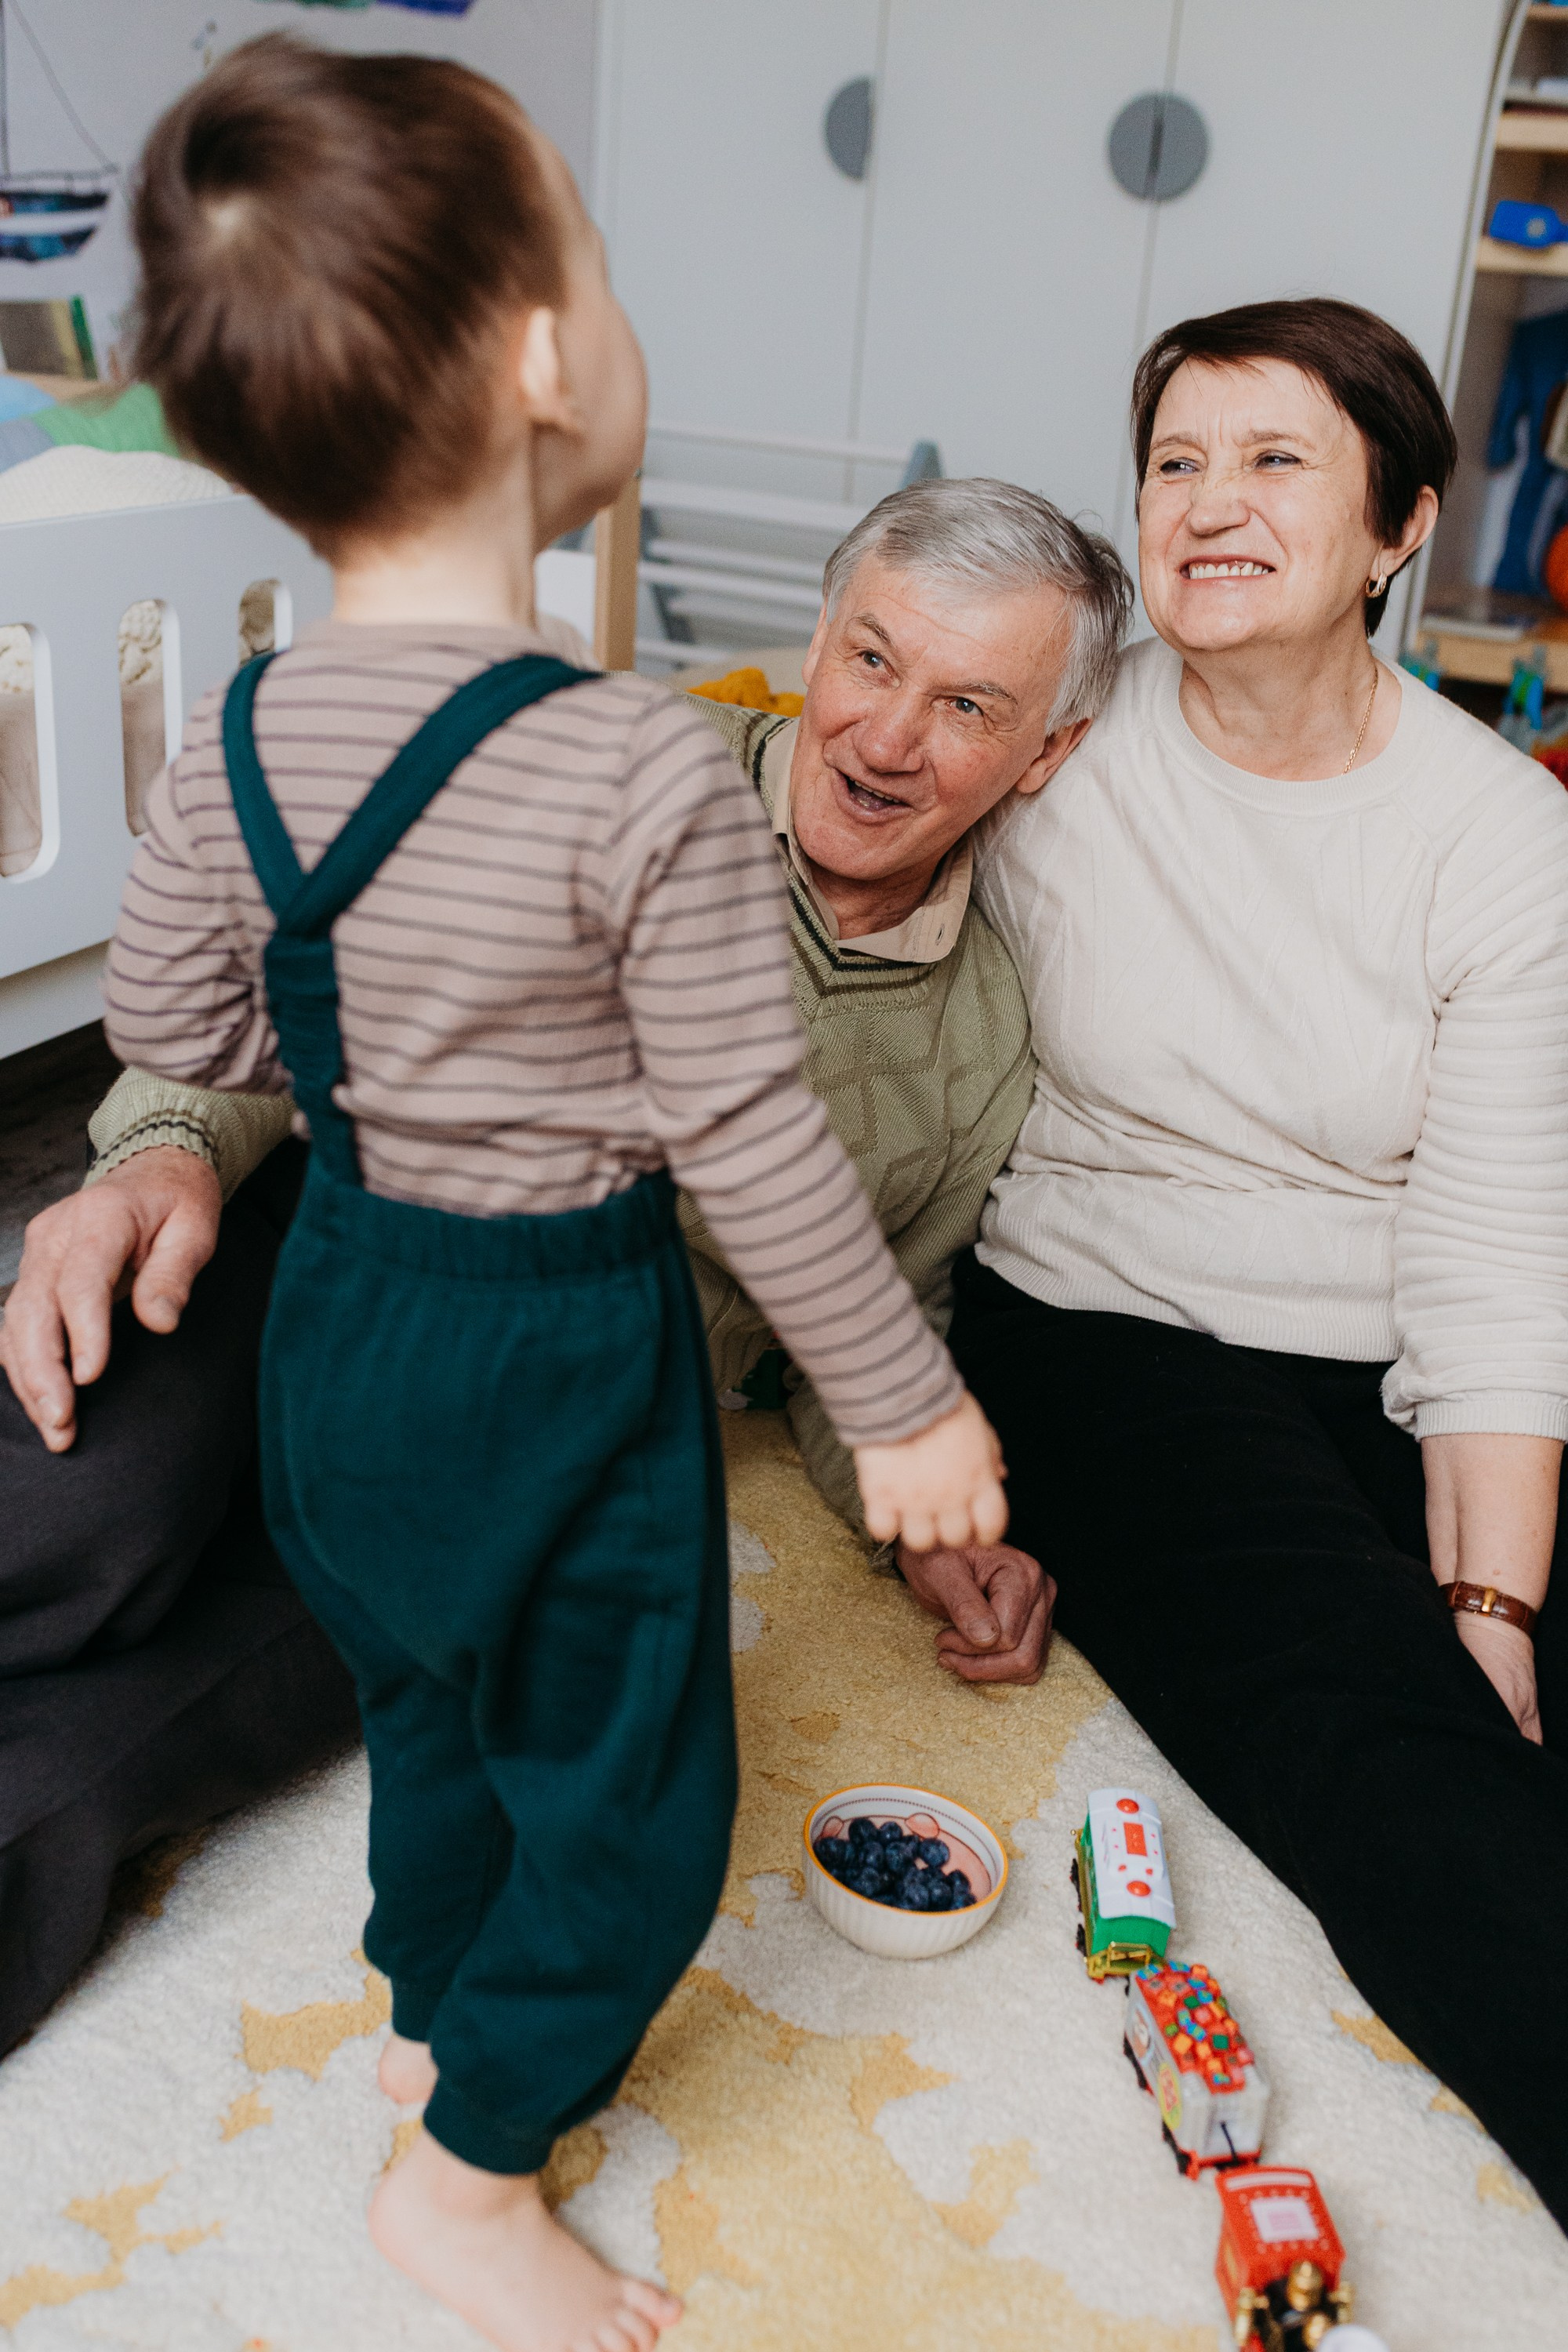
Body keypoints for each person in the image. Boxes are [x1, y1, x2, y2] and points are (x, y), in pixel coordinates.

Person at [103, 34, 1007, 2351]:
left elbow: (180, 1027)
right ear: (537, 358)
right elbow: (749, 1139)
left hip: (340, 1331)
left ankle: (429, 2011)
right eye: (596, 265)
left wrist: (185, 1178)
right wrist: (902, 1410)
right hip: (554, 1346)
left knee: (428, 1700)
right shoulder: (640, 763)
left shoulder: (231, 735)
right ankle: (470, 2170)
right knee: (632, 1799)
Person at [0, 474, 1132, 2078]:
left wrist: (928, 1524)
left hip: (547, 1482)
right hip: (331, 1258)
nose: (887, 736)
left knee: (156, 1738)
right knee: (93, 1497)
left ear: (1047, 753)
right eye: (871, 660)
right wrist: (160, 1149)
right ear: (816, 639)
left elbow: (870, 1331)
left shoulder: (977, 1045)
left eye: (967, 705)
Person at [935, 296, 1568, 2227]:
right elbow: (823, 810)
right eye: (1173, 462)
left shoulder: (1496, 833)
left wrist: (1496, 1602)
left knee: (1485, 1663)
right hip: (1105, 1322)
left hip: (1382, 1327)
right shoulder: (1057, 721)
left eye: (1273, 458)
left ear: (1400, 528)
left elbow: (1493, 1240)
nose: (1206, 503)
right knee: (1382, 1752)